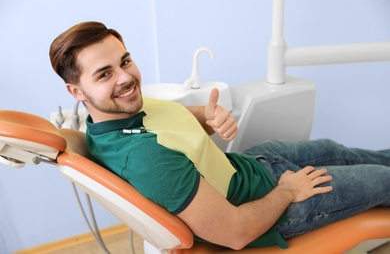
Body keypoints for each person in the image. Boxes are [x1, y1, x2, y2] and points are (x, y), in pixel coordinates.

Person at [49, 21, 390, 250]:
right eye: (105, 73)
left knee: (349, 152)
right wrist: (287, 191)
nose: (125, 78)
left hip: (254, 164)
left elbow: (173, 122)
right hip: (273, 203)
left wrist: (209, 117)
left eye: (125, 61)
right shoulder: (142, 157)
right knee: (384, 180)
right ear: (76, 91)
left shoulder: (121, 110)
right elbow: (235, 233)